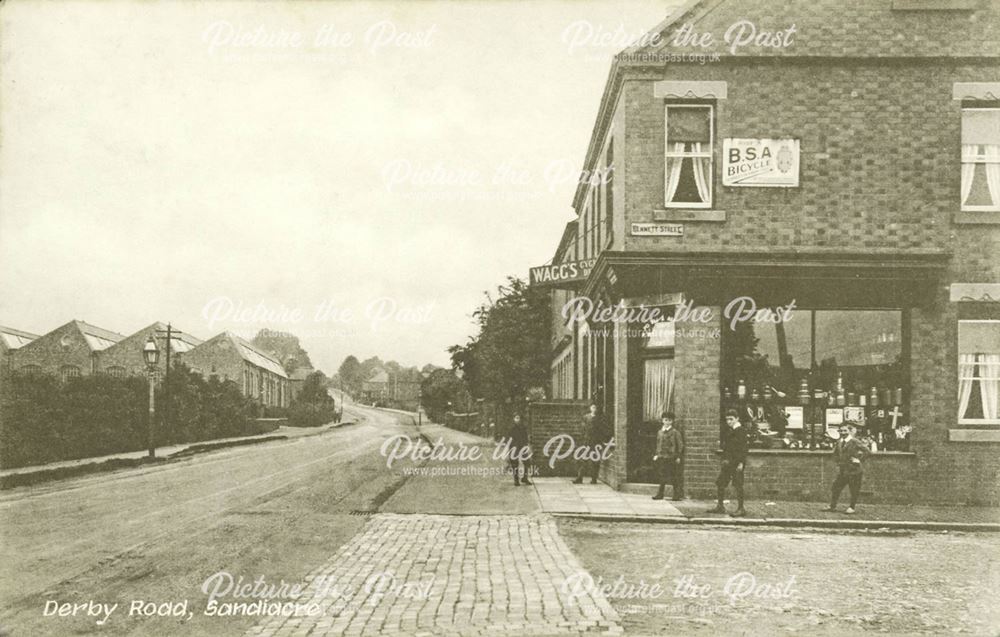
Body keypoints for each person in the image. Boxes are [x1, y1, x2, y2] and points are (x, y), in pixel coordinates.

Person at [822, 422, 869, 514]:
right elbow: (836, 453)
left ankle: (852, 507)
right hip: (843, 471)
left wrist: (859, 460)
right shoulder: (839, 442)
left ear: (850, 431)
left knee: (854, 489)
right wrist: (838, 461)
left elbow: (867, 451)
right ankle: (832, 506)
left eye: (845, 430)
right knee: (836, 487)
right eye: (841, 431)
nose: (843, 432)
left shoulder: (854, 441)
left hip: (854, 470)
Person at [710, 409, 748, 516]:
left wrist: (741, 463)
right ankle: (720, 506)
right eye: (727, 419)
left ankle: (741, 508)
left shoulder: (741, 431)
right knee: (720, 483)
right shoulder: (729, 430)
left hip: (736, 463)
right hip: (728, 462)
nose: (729, 421)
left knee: (738, 485)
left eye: (731, 419)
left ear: (737, 419)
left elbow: (744, 449)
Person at [652, 411, 684, 501]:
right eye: (665, 420)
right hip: (662, 457)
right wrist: (656, 454)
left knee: (673, 476)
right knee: (662, 476)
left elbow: (680, 445)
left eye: (669, 420)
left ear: (672, 421)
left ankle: (676, 495)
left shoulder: (675, 432)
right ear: (662, 420)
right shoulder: (660, 432)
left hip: (671, 457)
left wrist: (678, 456)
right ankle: (660, 494)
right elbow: (658, 444)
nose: (667, 422)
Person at [572, 402, 606, 484]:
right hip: (587, 442)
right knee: (583, 460)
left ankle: (594, 479)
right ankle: (580, 478)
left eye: (595, 407)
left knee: (595, 460)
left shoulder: (599, 418)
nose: (594, 409)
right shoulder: (586, 417)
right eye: (593, 407)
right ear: (590, 408)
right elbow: (583, 429)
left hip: (596, 442)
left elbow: (601, 430)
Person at [508, 414, 533, 486]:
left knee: (527, 462)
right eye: (516, 418)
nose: (517, 419)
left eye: (518, 418)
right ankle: (516, 480)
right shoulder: (511, 427)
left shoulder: (523, 427)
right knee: (515, 463)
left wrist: (526, 444)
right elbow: (508, 438)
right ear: (513, 419)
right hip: (514, 447)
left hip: (522, 446)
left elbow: (525, 436)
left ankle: (524, 478)